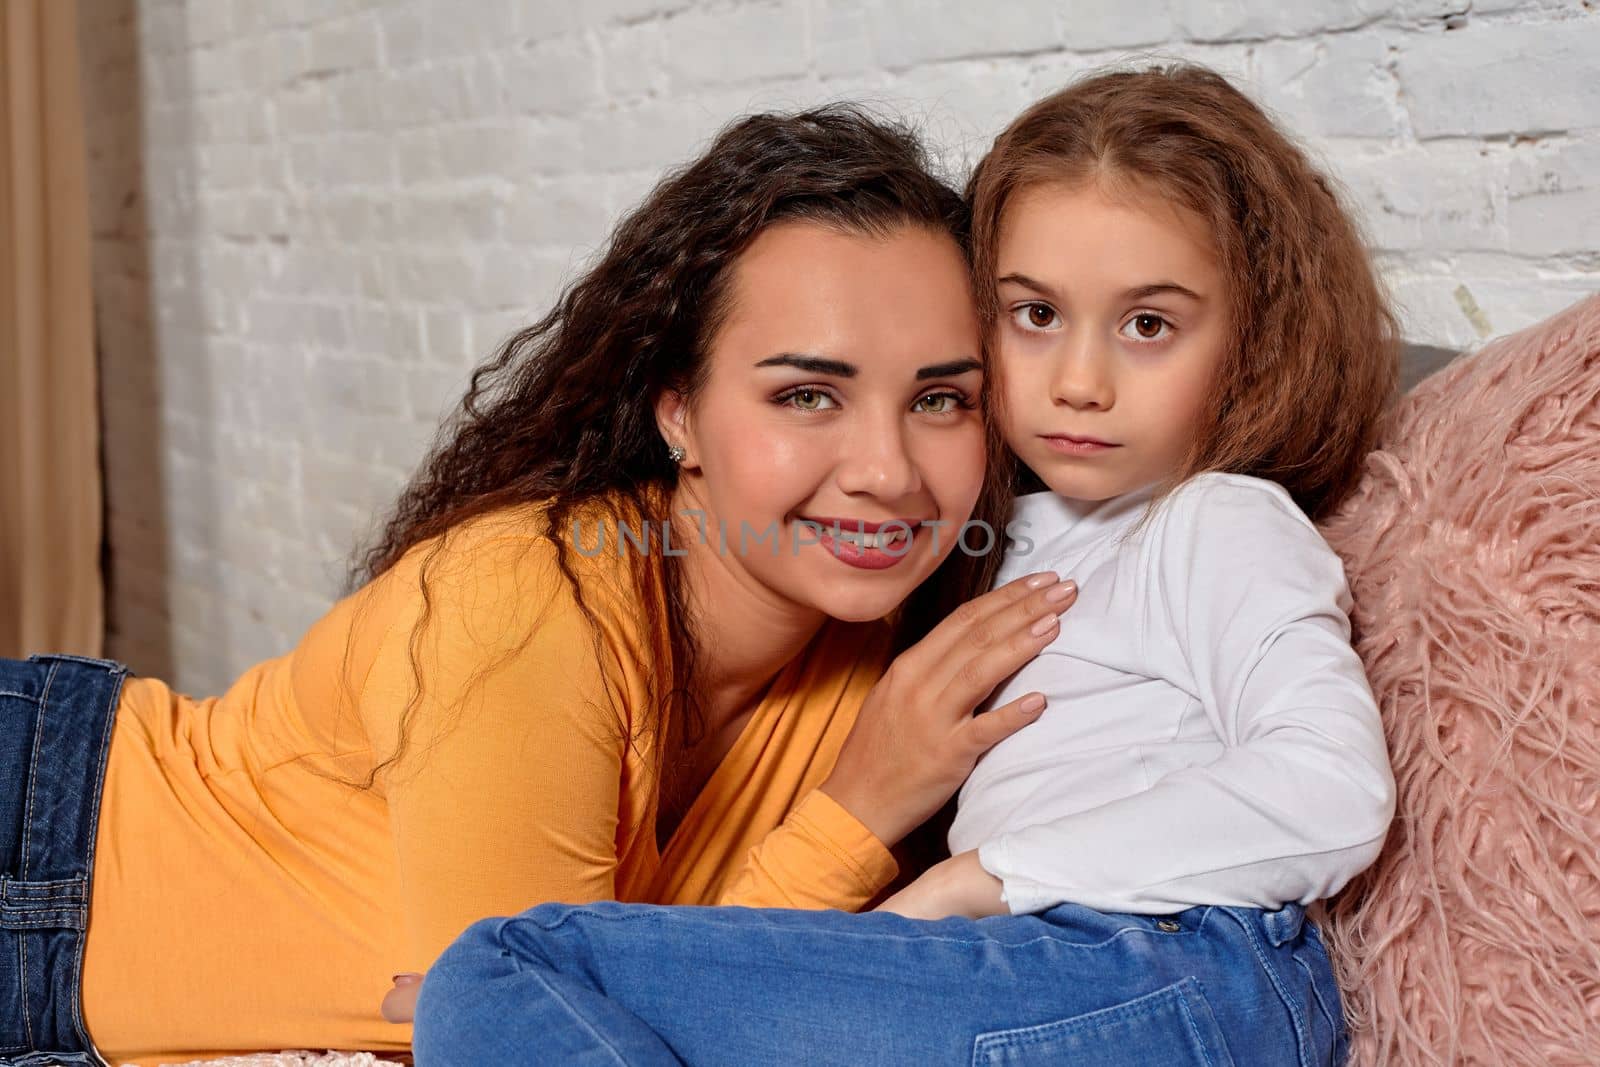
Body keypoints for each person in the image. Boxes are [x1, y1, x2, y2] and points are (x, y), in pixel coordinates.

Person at [0, 107, 1076, 1067]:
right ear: (678, 414)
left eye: (941, 399)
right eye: (806, 394)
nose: (887, 470)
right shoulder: (528, 603)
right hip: (47, 842)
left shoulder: (879, 642)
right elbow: (530, 1029)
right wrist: (857, 813)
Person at [399, 64, 1401, 1067]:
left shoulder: (1216, 521)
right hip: (1041, 973)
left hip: (1170, 966)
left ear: (1251, 344)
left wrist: (982, 879)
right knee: (525, 980)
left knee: (504, 959)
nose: (1080, 383)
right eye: (1035, 315)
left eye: (1148, 325)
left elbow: (1329, 788)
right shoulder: (974, 535)